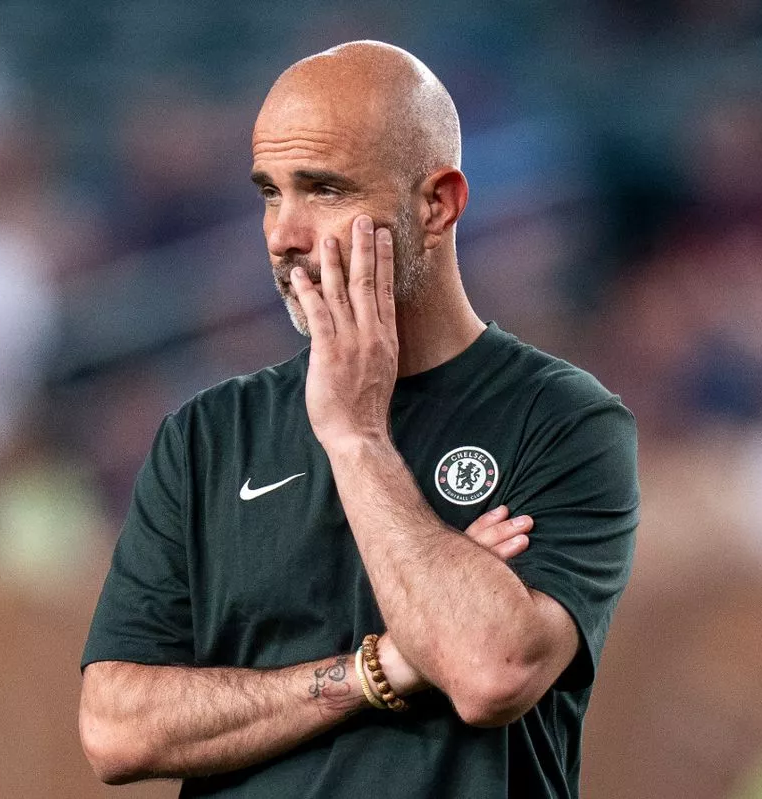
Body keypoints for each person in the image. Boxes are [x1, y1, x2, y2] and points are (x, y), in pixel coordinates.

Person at [79, 40, 639, 798]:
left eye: (323, 190)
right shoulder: (207, 435)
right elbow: (115, 728)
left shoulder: (564, 420)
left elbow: (490, 671)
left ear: (437, 204)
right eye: (270, 193)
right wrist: (378, 670)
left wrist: (358, 437)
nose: (283, 234)